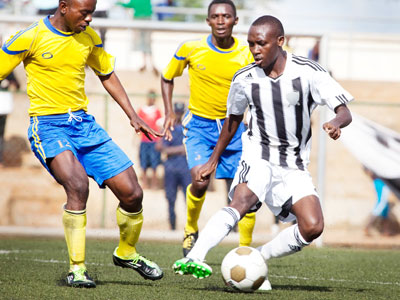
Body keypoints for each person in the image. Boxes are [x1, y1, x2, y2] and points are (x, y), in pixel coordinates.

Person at [172, 15, 353, 289]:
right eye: (250, 44)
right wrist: (213, 159)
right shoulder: (244, 78)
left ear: (280, 42)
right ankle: (196, 255)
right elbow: (232, 121)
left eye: (261, 44)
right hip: (258, 154)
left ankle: (257, 257)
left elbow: (344, 111)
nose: (254, 50)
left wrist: (335, 123)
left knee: (313, 226)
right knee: (241, 202)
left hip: (293, 165)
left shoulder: (308, 72)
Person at [0, 0, 164, 288]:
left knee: (133, 193)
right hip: (48, 126)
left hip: (85, 125)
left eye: (92, 12)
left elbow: (107, 74)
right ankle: (77, 269)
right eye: (84, 12)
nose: (89, 18)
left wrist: (133, 115)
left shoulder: (89, 37)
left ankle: (126, 253)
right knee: (77, 185)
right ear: (64, 7)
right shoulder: (30, 36)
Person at [161, 0, 256, 258]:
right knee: (200, 181)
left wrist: (252, 113)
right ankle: (191, 228)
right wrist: (169, 111)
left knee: (243, 191)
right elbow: (167, 76)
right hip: (200, 126)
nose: (221, 20)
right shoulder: (192, 48)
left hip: (235, 127)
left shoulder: (248, 55)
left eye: (226, 16)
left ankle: (245, 250)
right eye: (216, 16)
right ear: (208, 21)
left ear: (235, 21)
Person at [156, 102, 191, 230]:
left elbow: (190, 148)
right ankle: (172, 226)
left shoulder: (186, 128)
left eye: (180, 112)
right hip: (170, 168)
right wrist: (180, 149)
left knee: (189, 200)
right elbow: (159, 146)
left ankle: (190, 227)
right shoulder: (168, 128)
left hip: (185, 168)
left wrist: (171, 150)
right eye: (176, 112)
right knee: (171, 198)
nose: (178, 115)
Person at [117, 0, 159, 75]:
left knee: (143, 42)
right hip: (147, 19)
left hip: (139, 19)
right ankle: (148, 63)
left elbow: (128, 5)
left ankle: (148, 64)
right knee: (146, 42)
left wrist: (118, 3)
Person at [137, 90, 162, 189]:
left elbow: (159, 125)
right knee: (143, 163)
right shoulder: (142, 110)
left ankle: (154, 184)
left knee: (155, 163)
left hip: (154, 141)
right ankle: (144, 183)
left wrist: (159, 140)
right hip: (144, 140)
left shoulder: (157, 111)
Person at [363, 167, 395, 236]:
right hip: (380, 181)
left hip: (383, 181)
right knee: (381, 203)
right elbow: (366, 169)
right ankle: (367, 226)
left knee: (385, 207)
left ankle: (385, 231)